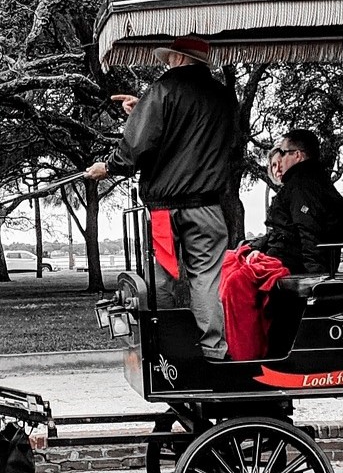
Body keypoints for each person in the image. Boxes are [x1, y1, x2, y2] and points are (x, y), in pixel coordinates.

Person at [87, 35, 240, 360]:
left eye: (169, 57)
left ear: (179, 58)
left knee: (164, 276)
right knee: (206, 278)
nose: (166, 62)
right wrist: (140, 109)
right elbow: (190, 137)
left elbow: (138, 147)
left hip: (163, 213)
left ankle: (168, 347)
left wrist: (108, 166)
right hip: (206, 211)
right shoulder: (223, 97)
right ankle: (214, 352)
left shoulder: (162, 91)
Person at [247, 129, 343, 274]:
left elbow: (309, 230)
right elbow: (284, 230)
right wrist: (255, 248)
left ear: (297, 155)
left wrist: (314, 276)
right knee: (234, 261)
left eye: (283, 153)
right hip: (284, 257)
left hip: (291, 263)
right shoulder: (302, 184)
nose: (280, 159)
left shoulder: (303, 186)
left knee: (235, 275)